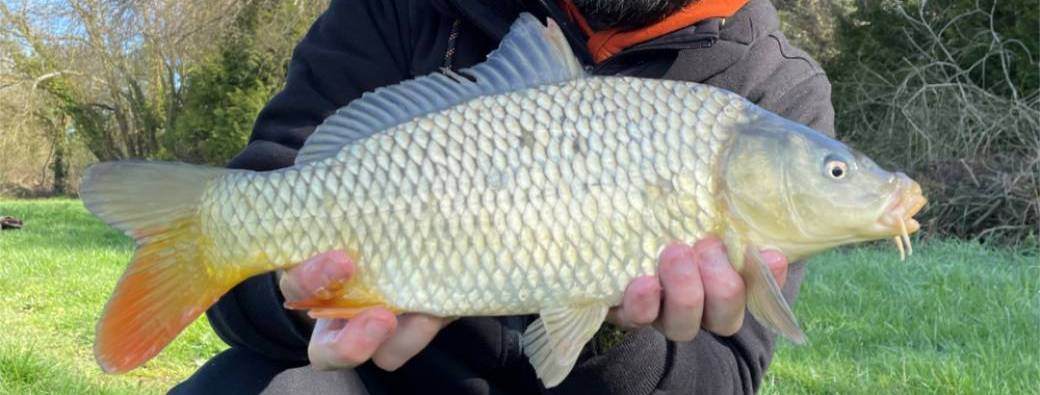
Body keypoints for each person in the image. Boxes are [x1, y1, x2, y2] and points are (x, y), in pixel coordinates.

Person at [171, 0, 834, 393]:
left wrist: (610, 332)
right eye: (835, 175)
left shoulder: (774, 91)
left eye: (835, 176)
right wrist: (303, 293)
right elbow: (238, 300)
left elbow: (727, 375)